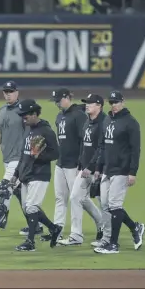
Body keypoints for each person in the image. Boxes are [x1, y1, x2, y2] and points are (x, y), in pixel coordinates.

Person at [0, 81, 44, 237]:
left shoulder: (24, 110)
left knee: (5, 188)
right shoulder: (2, 112)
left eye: (11, 91)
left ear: (17, 93)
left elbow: (35, 131)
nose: (8, 94)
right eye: (5, 91)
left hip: (20, 160)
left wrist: (33, 155)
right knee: (23, 197)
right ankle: (38, 225)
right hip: (8, 160)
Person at [93, 91, 145, 254]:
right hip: (107, 169)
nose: (113, 105)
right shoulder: (107, 120)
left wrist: (132, 172)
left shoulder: (131, 123)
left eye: (116, 102)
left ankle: (113, 244)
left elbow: (135, 150)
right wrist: (99, 168)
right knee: (106, 205)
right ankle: (134, 227)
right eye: (111, 102)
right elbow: (102, 146)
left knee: (115, 205)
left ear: (123, 102)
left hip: (122, 170)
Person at [9, 99, 62, 251]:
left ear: (34, 114)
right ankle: (53, 228)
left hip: (40, 175)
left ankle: (30, 242)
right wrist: (16, 174)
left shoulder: (46, 131)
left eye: (25, 116)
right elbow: (24, 155)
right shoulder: (28, 129)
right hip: (26, 174)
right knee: (28, 208)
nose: (23, 118)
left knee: (32, 207)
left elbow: (56, 153)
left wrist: (40, 156)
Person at [40, 88, 87, 243]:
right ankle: (57, 230)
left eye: (59, 100)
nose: (57, 104)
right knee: (60, 198)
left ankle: (77, 234)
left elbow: (84, 141)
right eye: (55, 101)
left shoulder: (79, 116)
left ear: (67, 97)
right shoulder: (59, 116)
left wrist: (82, 161)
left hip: (74, 164)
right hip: (61, 163)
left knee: (77, 199)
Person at [58, 93, 105, 246]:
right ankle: (76, 235)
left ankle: (116, 231)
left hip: (100, 170)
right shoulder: (87, 122)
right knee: (75, 198)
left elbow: (101, 148)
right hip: (84, 169)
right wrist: (80, 165)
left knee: (107, 205)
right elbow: (83, 148)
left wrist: (92, 167)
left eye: (91, 103)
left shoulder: (104, 123)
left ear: (99, 105)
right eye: (86, 102)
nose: (87, 105)